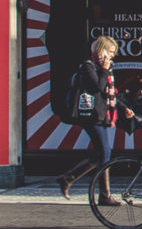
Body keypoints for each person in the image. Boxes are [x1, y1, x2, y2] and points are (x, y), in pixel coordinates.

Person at [56, 35, 135, 205]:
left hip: (102, 116)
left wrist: (124, 108)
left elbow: (108, 94)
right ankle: (103, 195)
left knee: (102, 153)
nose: (112, 56)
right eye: (110, 52)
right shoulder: (88, 67)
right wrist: (105, 69)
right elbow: (97, 87)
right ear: (101, 50)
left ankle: (69, 178)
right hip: (91, 117)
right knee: (105, 152)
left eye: (114, 53)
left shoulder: (104, 68)